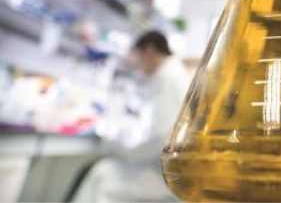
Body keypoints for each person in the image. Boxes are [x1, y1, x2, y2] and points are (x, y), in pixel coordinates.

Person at [71, 30, 192, 202]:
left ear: (149, 50)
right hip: (166, 171)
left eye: (137, 57)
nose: (136, 65)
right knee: (104, 171)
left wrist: (115, 144)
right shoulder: (173, 74)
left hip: (163, 178)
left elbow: (158, 139)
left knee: (102, 175)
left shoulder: (167, 78)